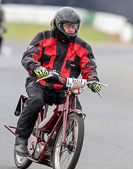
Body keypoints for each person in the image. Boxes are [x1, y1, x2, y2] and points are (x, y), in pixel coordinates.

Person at [15, 7, 101, 156]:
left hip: (65, 88)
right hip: (39, 82)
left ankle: (56, 139)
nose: (72, 29)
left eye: (74, 26)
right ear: (58, 25)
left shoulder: (83, 47)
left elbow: (89, 67)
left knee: (76, 111)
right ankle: (21, 139)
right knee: (35, 101)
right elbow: (28, 57)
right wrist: (36, 68)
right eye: (68, 26)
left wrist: (93, 80)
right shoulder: (43, 37)